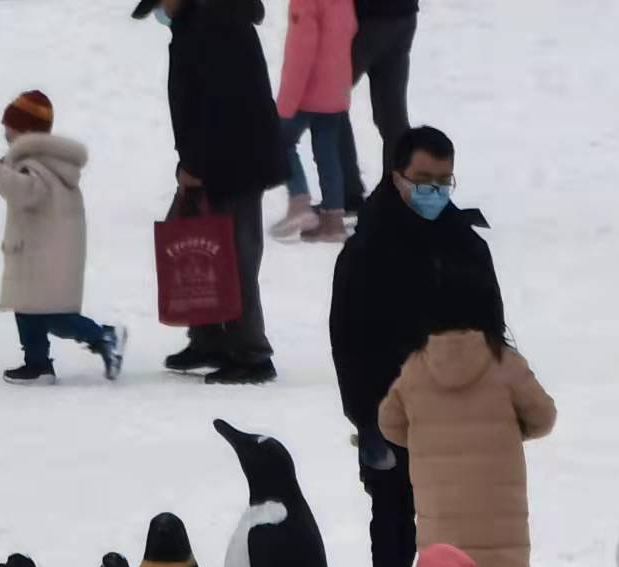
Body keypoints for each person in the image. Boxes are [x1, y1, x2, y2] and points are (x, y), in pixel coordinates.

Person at [329, 124, 504, 567]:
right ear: (397, 176)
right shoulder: (364, 253)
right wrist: (365, 420)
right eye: (423, 179)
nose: (434, 192)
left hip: (461, 414)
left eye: (444, 181)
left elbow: (493, 327)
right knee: (394, 520)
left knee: (460, 521)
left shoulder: (467, 245)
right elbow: (348, 344)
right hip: (392, 413)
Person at [139, 0, 288, 385]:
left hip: (234, 160)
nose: (161, 11)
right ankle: (209, 338)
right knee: (203, 246)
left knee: (234, 256)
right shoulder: (200, 19)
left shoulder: (214, 22)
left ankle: (252, 355)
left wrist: (196, 164)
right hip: (224, 157)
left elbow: (224, 105)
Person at [378, 317, 556, 567]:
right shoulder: (504, 363)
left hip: (440, 521)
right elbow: (543, 416)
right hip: (494, 523)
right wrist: (506, 433)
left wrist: (425, 440)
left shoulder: (417, 366)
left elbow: (389, 423)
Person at [0, 90, 126, 386]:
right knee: (28, 310)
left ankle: (105, 337)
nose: (5, 132)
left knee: (54, 315)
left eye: (10, 126)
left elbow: (28, 191)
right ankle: (38, 363)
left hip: (46, 255)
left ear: (26, 131)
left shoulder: (39, 162)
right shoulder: (35, 159)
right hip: (38, 251)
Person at [270, 0, 358, 243]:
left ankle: (299, 201)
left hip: (308, 91)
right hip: (334, 89)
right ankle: (333, 220)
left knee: (279, 141)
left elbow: (301, 50)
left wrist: (287, 101)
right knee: (327, 151)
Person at [336, 0, 419, 215]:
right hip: (404, 17)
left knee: (329, 105)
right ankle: (396, 196)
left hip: (367, 20)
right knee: (393, 117)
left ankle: (349, 193)